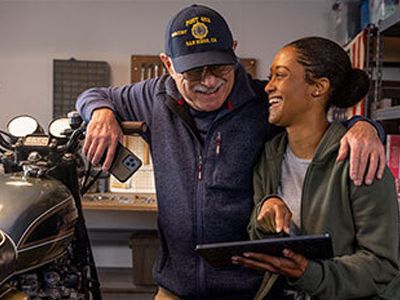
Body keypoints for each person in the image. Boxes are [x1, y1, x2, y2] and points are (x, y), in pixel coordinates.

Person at [76, 5, 385, 299]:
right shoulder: (154, 96)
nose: (209, 81)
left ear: (233, 50)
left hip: (251, 291)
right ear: (168, 65)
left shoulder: (262, 102)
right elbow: (93, 95)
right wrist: (101, 112)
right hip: (175, 289)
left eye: (220, 67)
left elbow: (318, 114)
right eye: (194, 72)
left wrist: (365, 127)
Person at [233, 37, 400, 300]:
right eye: (270, 76)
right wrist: (264, 213)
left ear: (318, 87)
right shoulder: (268, 157)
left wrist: (309, 274)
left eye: (280, 75)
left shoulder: (360, 161)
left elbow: (382, 266)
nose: (269, 87)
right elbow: (257, 237)